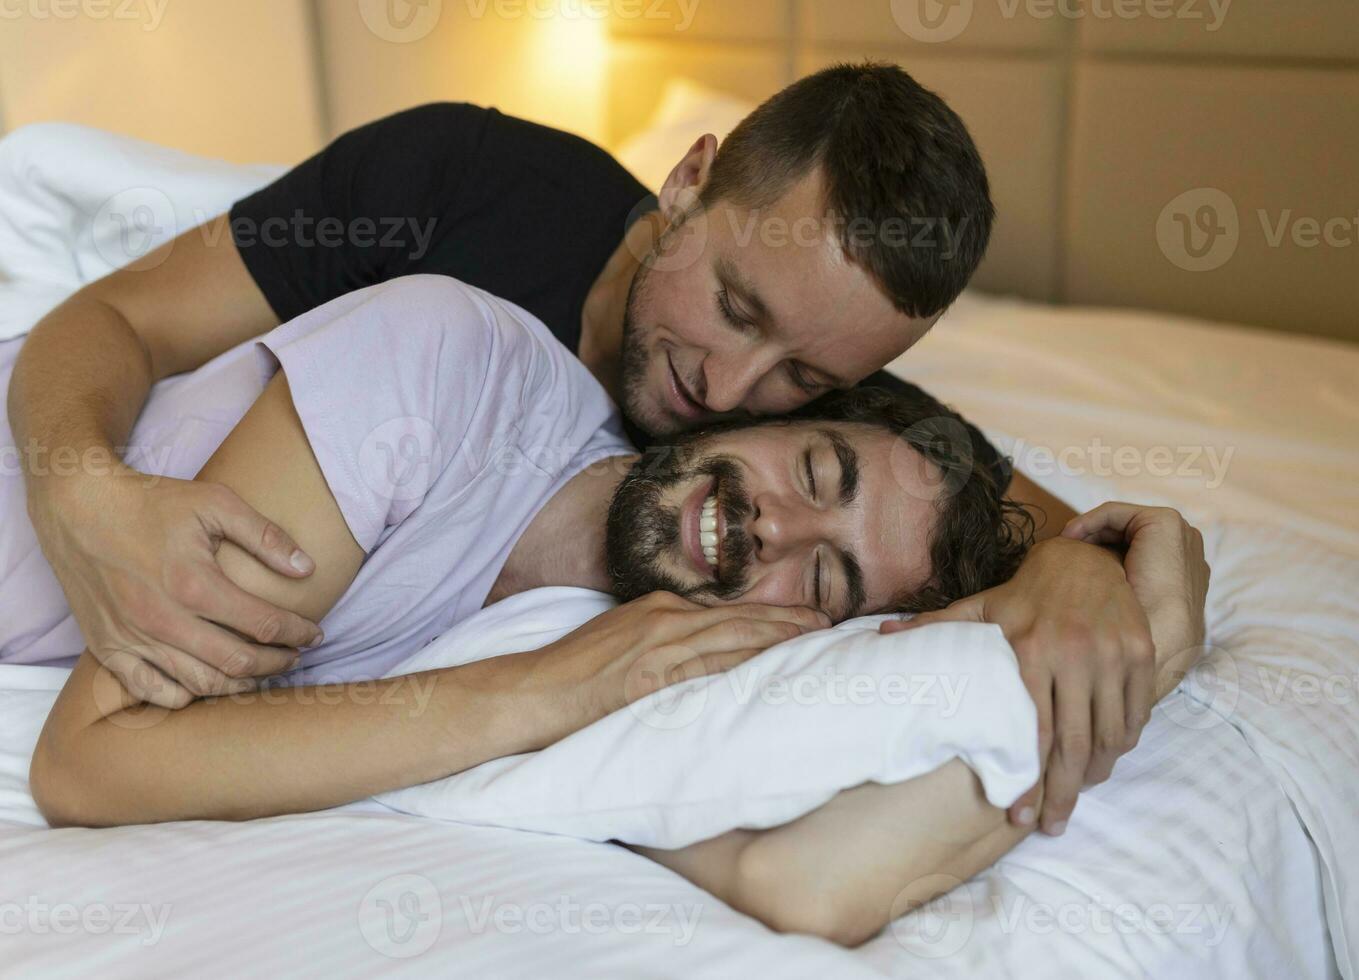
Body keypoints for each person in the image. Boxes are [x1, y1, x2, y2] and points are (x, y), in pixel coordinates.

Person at [7, 62, 1208, 838]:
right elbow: (110, 320)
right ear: (687, 182)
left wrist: (1082, 563)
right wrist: (86, 498)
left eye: (806, 380)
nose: (731, 392)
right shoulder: (465, 202)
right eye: (737, 307)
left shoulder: (794, 424)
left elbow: (994, 512)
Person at [19, 276, 1206, 947]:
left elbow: (810, 884)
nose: (772, 528)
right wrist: (548, 694)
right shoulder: (453, 370)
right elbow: (89, 760)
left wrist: (1123, 650)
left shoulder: (637, 642)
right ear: (763, 410)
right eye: (817, 471)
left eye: (827, 579)